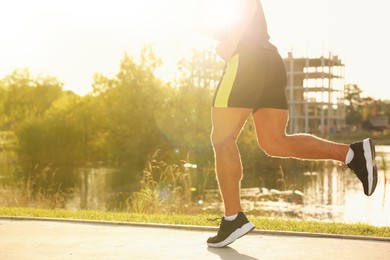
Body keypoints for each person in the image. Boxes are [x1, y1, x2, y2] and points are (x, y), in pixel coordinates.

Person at [205, 0, 378, 248]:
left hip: (246, 59)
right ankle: (352, 154)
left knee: (222, 139)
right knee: (274, 141)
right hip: (269, 61)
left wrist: (232, 38)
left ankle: (233, 217)